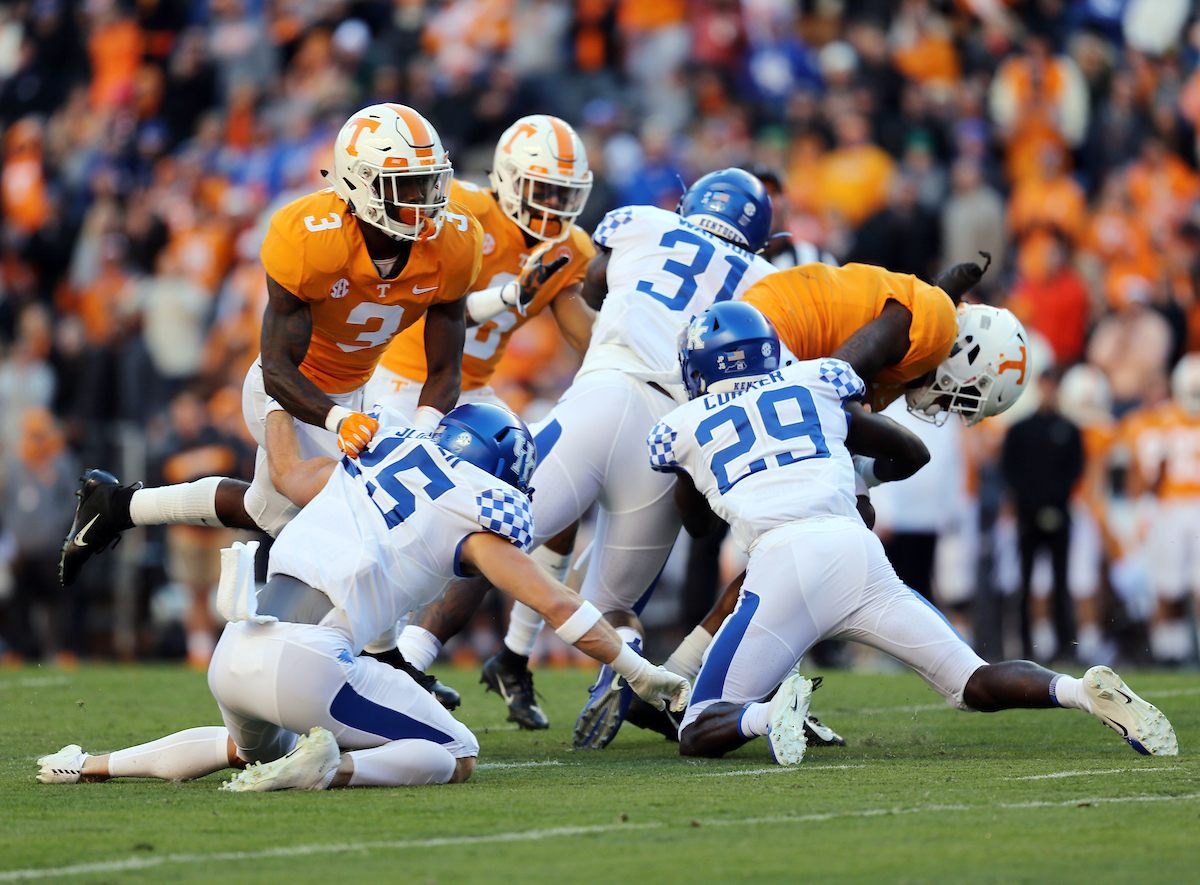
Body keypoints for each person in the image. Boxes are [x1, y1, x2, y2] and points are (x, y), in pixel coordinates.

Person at [36, 402, 688, 790]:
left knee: (248, 750)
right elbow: (557, 604)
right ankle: (332, 771)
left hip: (236, 652)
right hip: (308, 663)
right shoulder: (471, 514)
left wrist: (276, 399)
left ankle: (89, 765)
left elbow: (286, 475)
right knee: (457, 753)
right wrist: (639, 670)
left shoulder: (374, 457)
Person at [656, 301, 1176, 764]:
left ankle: (768, 715)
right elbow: (911, 450)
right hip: (856, 551)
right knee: (971, 680)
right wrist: (857, 477)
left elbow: (698, 528)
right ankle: (1079, 691)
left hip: (782, 561)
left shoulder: (681, 426)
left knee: (698, 725)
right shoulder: (815, 381)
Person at [60, 103, 483, 585]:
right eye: (405, 187)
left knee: (264, 509)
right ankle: (349, 635)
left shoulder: (453, 242)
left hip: (354, 389)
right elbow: (279, 366)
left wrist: (423, 432)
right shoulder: (312, 238)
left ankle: (117, 506)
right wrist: (337, 419)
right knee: (351, 512)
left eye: (428, 183)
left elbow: (446, 367)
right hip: (287, 387)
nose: (424, 201)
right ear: (360, 183)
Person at [360, 115, 599, 724]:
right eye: (543, 191)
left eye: (564, 196)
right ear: (509, 179)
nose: (553, 208)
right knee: (399, 521)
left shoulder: (568, 248)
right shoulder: (462, 209)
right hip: (403, 381)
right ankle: (385, 659)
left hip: (473, 389)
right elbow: (431, 301)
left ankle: (515, 654)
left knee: (551, 493)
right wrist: (510, 295)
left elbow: (591, 339)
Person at [1002, 368, 1085, 661]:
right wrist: (1033, 503)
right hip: (1027, 515)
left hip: (1059, 513)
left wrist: (1052, 500)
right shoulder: (1020, 429)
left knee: (1061, 582)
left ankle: (1066, 645)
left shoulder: (1069, 429)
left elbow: (1075, 470)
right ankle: (1024, 646)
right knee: (1024, 582)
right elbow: (1010, 470)